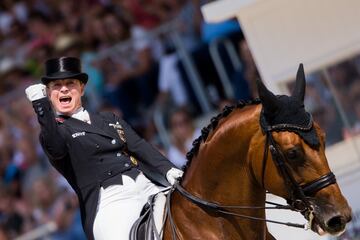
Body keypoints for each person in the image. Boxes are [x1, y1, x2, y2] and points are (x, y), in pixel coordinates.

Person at [24, 56, 183, 240]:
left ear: (82, 88)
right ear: (49, 94)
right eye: (56, 86)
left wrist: (168, 169)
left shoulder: (108, 119)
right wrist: (41, 107)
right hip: (109, 203)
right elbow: (57, 149)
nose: (64, 89)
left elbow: (140, 146)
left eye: (70, 83)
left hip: (147, 184)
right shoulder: (54, 132)